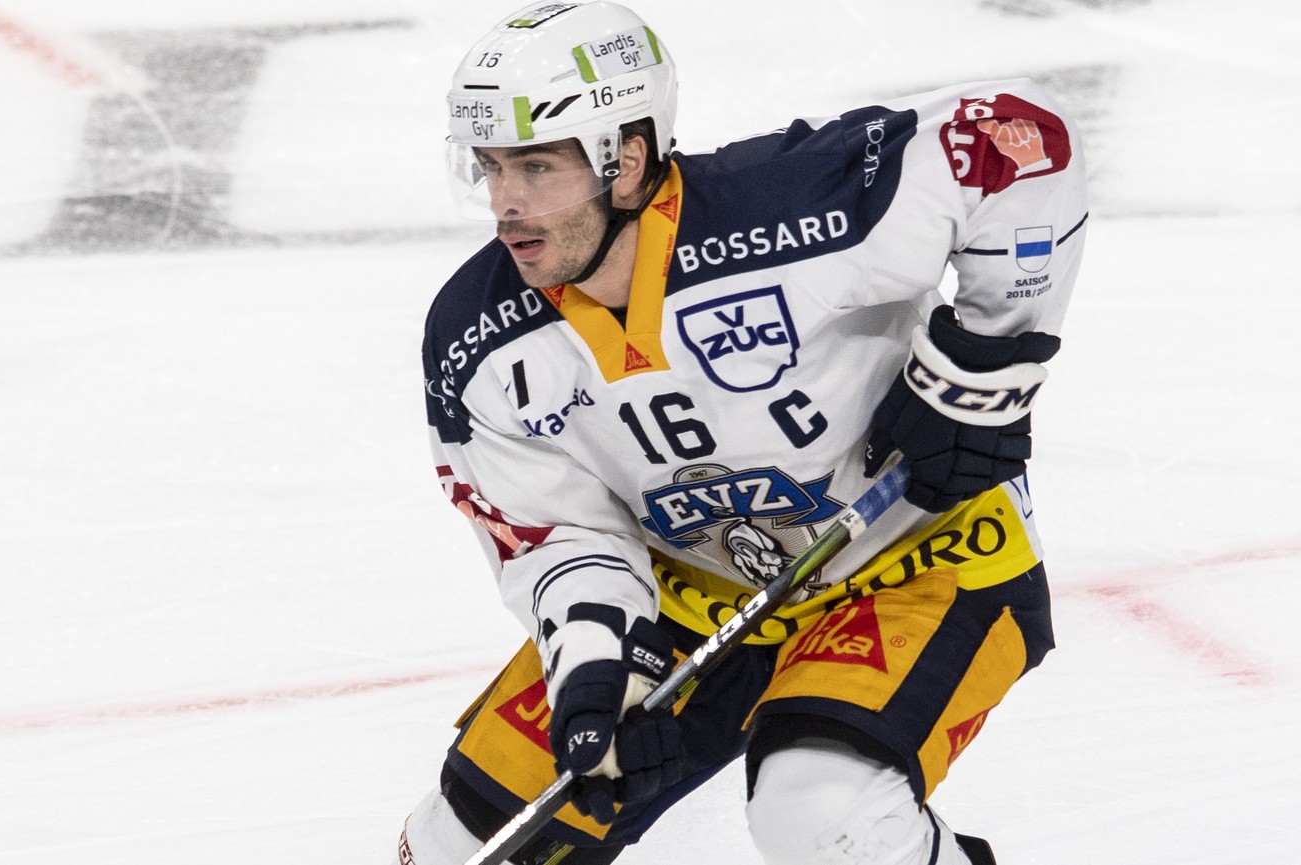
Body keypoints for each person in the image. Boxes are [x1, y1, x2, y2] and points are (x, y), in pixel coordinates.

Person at [400, 2, 1086, 863]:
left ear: (628, 159)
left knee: (821, 814)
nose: (507, 204)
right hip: (692, 589)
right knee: (462, 841)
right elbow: (556, 532)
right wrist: (597, 669)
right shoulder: (478, 335)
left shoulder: (795, 208)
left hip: (919, 555)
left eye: (537, 166)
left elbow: (1020, 138)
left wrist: (981, 372)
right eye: (491, 167)